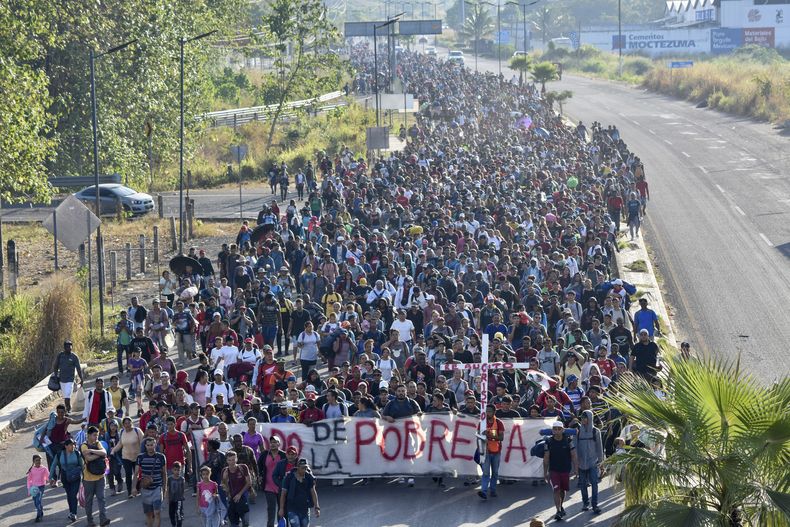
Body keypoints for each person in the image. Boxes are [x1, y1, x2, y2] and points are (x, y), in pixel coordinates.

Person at [543, 421, 578, 521]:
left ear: (563, 430)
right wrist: (545, 472)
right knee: (556, 490)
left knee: (562, 490)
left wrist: (576, 469)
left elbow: (574, 455)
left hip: (565, 470)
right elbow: (546, 458)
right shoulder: (548, 442)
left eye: (559, 429)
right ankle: (558, 510)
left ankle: (561, 506)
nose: (557, 431)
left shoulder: (568, 441)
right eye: (555, 429)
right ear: (552, 430)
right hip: (553, 470)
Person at [81, 426, 111, 526]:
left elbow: (105, 452)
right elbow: (88, 459)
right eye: (94, 435)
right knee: (89, 501)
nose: (96, 437)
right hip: (88, 478)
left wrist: (92, 451)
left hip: (100, 476)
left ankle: (103, 519)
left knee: (101, 498)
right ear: (88, 435)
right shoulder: (83, 445)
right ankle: (90, 521)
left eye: (97, 435)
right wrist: (100, 454)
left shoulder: (98, 443)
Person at [575, 410, 604, 514]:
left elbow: (600, 448)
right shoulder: (578, 431)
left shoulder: (595, 431)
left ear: (590, 418)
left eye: (585, 417)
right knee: (583, 484)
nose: (583, 419)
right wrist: (576, 462)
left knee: (594, 483)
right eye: (582, 417)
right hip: (582, 462)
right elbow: (576, 447)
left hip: (593, 462)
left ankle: (595, 504)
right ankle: (585, 503)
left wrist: (601, 463)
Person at [279, 458, 320, 527]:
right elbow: (283, 494)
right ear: (297, 467)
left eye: (306, 468)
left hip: (305, 509)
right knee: (296, 525)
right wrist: (281, 508)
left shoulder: (309, 477)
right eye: (302, 468)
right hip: (292, 508)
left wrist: (317, 507)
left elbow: (313, 492)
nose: (305, 470)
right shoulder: (289, 477)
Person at [138, 436, 167, 527]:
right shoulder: (141, 457)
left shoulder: (161, 457)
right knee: (149, 514)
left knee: (157, 512)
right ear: (145, 446)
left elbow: (164, 473)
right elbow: (135, 473)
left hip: (157, 488)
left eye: (152, 445)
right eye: (148, 445)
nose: (150, 447)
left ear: (155, 445)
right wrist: (133, 488)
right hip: (145, 490)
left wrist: (164, 487)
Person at [112, 416, 144, 498]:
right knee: (128, 474)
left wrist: (143, 454)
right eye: (125, 423)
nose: (127, 425)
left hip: (137, 456)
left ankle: (137, 488)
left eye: (129, 423)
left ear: (131, 423)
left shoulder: (137, 431)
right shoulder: (122, 432)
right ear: (123, 425)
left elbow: (143, 443)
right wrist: (113, 451)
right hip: (126, 457)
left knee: (137, 473)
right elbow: (120, 444)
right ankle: (130, 492)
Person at [478, 404, 504, 500]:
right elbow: (478, 436)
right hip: (485, 451)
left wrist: (489, 435)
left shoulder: (499, 423)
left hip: (496, 451)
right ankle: (484, 492)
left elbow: (501, 438)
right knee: (485, 473)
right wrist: (480, 449)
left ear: (494, 412)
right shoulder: (482, 423)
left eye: (489, 411)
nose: (487, 413)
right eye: (486, 411)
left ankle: (492, 490)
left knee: (495, 472)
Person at [260, 436, 285, 527]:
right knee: (271, 508)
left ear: (279, 444)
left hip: (281, 486)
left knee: (281, 508)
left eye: (275, 442)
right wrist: (259, 477)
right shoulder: (264, 454)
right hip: (268, 486)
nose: (273, 444)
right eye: (271, 442)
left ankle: (281, 525)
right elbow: (259, 467)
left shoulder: (283, 455)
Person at [222, 450, 252, 527]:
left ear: (236, 459)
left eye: (233, 459)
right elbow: (224, 486)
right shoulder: (225, 471)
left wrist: (240, 494)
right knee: (233, 522)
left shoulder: (243, 467)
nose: (232, 462)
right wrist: (225, 479)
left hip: (243, 496)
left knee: (245, 522)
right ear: (226, 461)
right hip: (232, 498)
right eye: (229, 460)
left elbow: (249, 482)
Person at [52, 340, 83, 413]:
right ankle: (68, 407)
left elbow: (78, 368)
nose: (69, 348)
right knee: (65, 396)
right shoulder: (60, 355)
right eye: (67, 346)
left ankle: (68, 409)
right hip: (62, 380)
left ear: (72, 347)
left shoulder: (74, 357)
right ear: (64, 347)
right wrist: (56, 376)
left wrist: (81, 379)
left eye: (70, 346)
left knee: (67, 396)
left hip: (70, 380)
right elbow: (55, 366)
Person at [56, 438, 82, 522]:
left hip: (76, 477)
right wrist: (51, 478)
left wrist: (85, 476)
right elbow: (53, 465)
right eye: (71, 444)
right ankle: (71, 512)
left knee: (74, 495)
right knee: (69, 494)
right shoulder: (60, 454)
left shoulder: (77, 453)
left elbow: (82, 465)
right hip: (65, 477)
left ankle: (74, 513)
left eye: (73, 444)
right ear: (66, 446)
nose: (73, 446)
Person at [26, 453, 49, 523]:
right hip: (34, 488)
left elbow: (48, 476)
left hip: (41, 486)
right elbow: (29, 480)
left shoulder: (44, 469)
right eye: (36, 460)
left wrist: (51, 480)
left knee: (38, 500)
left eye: (39, 460)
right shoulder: (31, 470)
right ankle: (40, 511)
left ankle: (38, 516)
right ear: (33, 462)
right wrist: (29, 490)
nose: (38, 462)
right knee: (36, 502)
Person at [167, 461, 186, 527]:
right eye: (175, 470)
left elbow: (183, 488)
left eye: (178, 470)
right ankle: (173, 524)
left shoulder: (182, 479)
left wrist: (183, 496)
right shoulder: (169, 479)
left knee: (178, 513)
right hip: (172, 499)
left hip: (179, 499)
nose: (177, 472)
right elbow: (168, 489)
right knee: (171, 513)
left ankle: (179, 524)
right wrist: (168, 498)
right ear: (172, 470)